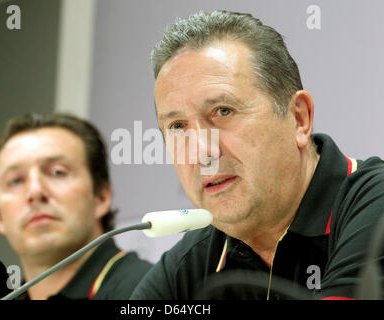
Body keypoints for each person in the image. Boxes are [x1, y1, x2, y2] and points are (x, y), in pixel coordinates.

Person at [131, 10, 384, 300]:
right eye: (177, 127)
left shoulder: (374, 208)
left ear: (299, 118)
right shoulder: (189, 264)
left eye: (223, 111)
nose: (201, 151)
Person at [0, 113, 152, 300]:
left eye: (58, 172)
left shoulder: (150, 292)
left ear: (101, 197)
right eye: (16, 180)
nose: (35, 191)